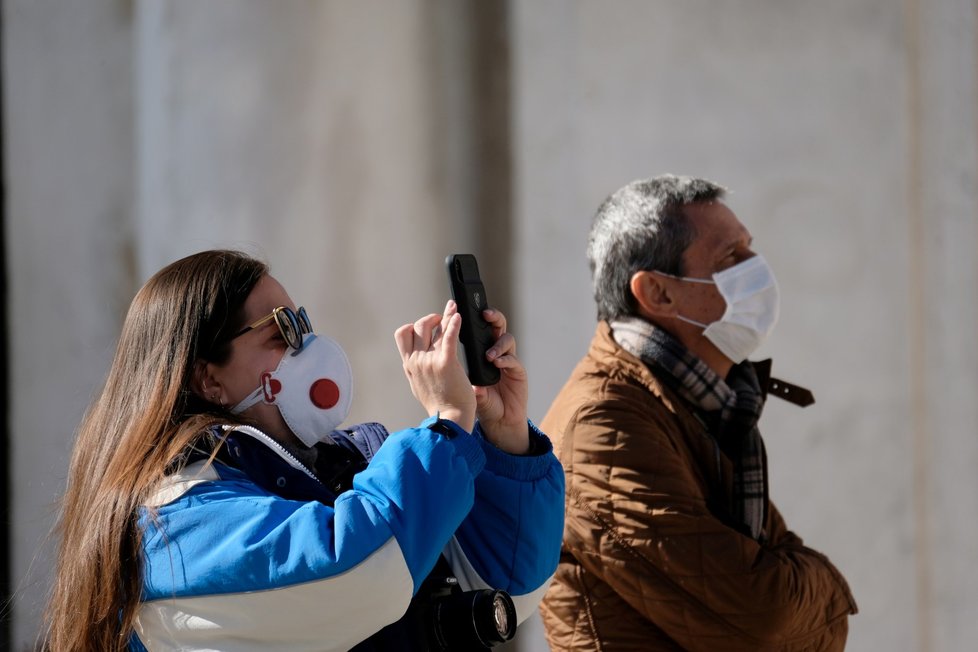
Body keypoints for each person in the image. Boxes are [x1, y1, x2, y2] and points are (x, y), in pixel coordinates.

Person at [43, 249, 564, 652]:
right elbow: (356, 571)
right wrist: (447, 425)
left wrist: (502, 434)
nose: (307, 347)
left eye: (304, 323)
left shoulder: (356, 466)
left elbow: (508, 585)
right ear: (209, 379)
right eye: (281, 331)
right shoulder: (172, 516)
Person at [539, 175, 857, 651]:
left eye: (751, 248)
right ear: (658, 294)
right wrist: (828, 588)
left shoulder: (698, 403)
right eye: (730, 257)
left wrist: (790, 581)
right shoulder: (604, 423)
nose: (759, 269)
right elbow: (760, 620)